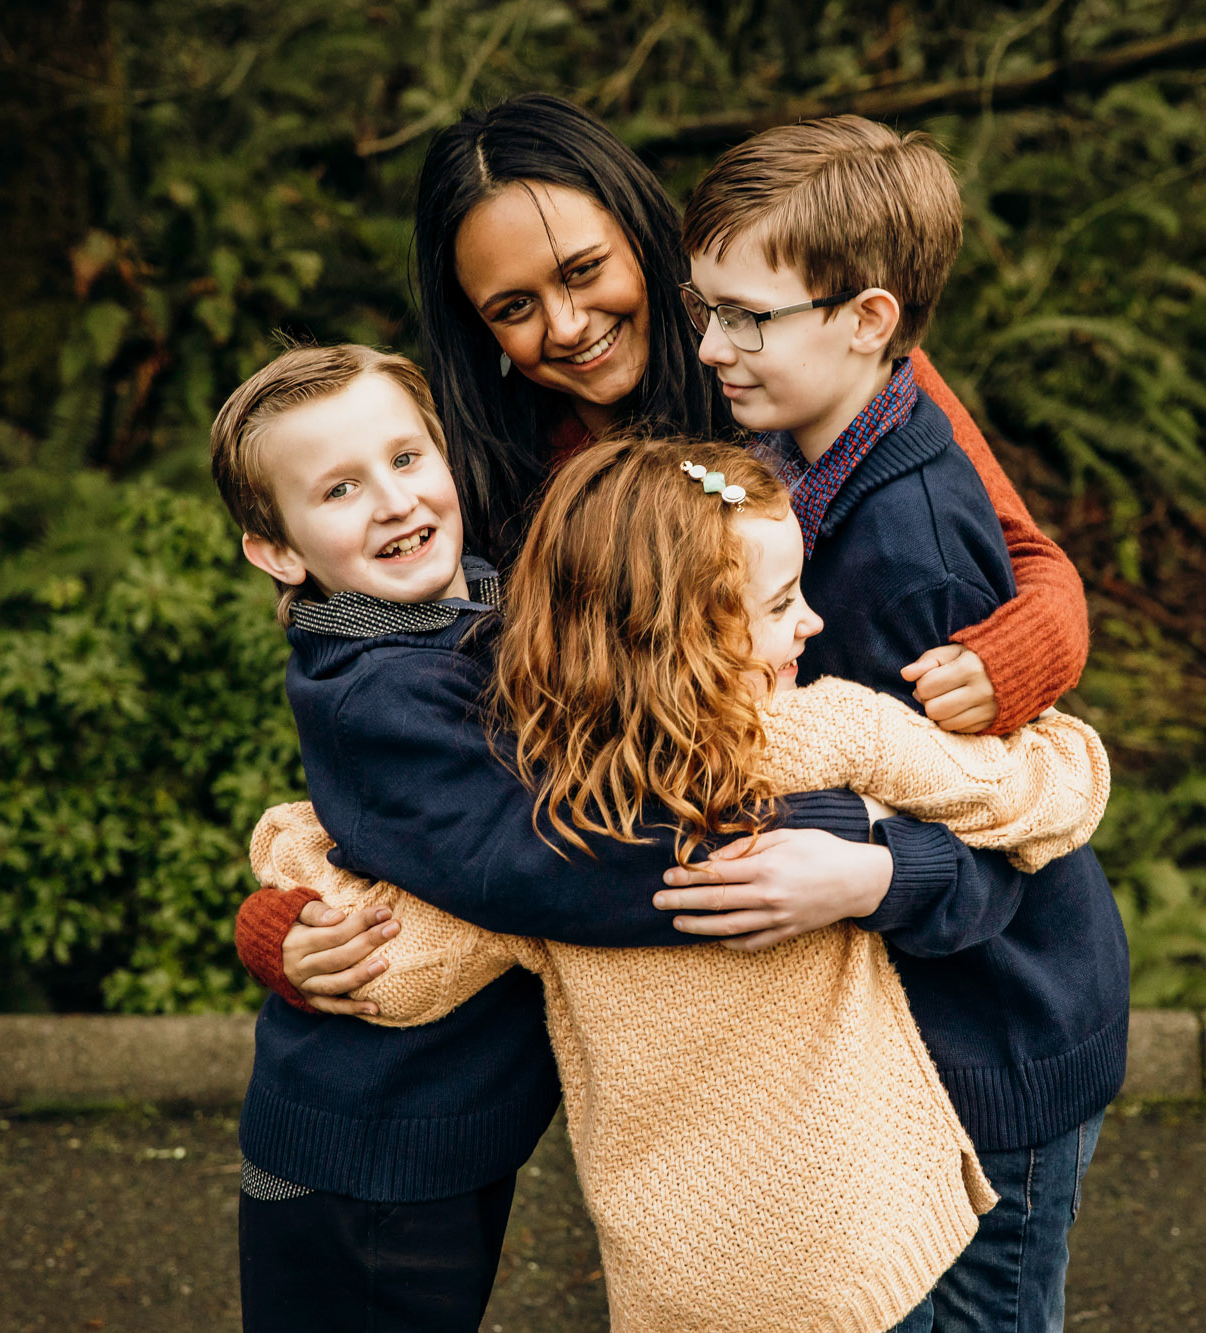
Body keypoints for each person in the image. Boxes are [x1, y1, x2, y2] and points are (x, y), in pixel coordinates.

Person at [249, 431, 1112, 1330]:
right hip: (863, 1223)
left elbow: (397, 974)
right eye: (781, 606)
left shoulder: (543, 809)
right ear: (690, 635)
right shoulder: (824, 735)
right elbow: (1065, 780)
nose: (813, 623)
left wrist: (293, 880)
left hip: (691, 1277)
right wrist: (889, 826)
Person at [213, 345, 922, 1330]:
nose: (392, 500)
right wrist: (833, 829)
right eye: (338, 488)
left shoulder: (471, 606)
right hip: (369, 1136)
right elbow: (544, 861)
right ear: (277, 550)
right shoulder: (375, 687)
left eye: (407, 458)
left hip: (444, 1120)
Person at [671, 114, 1131, 1331]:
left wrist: (859, 875)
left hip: (996, 1040)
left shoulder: (908, 558)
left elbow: (983, 824)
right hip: (928, 1035)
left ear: (867, 319)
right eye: (702, 306)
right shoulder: (799, 424)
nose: (712, 345)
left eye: (747, 316)